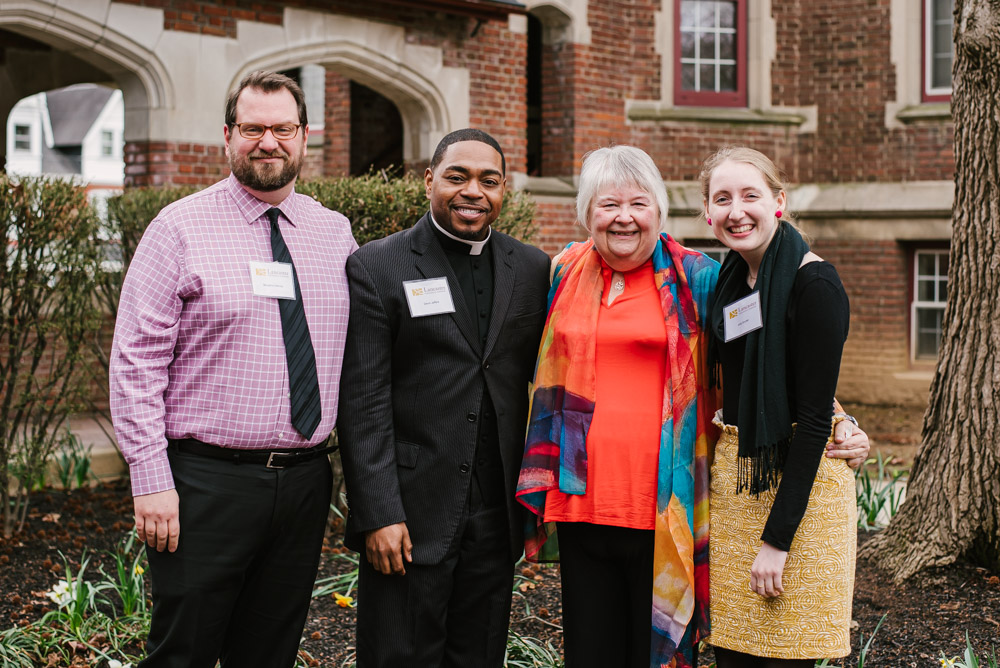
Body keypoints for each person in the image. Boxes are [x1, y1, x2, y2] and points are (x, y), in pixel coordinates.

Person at [515, 145, 868, 668]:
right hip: (580, 497)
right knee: (590, 650)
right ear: (587, 213)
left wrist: (842, 422)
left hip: (668, 500)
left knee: (658, 648)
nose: (624, 217)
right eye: (608, 204)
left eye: (639, 204)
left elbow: (775, 363)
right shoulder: (561, 273)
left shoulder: (700, 278)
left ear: (659, 212)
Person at [109, 70, 357, 668]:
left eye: (283, 129)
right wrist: (150, 478)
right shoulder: (178, 228)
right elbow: (136, 362)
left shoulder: (334, 234)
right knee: (184, 651)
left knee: (269, 652)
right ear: (228, 135)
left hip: (305, 483)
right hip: (204, 483)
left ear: (305, 137)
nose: (268, 142)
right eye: (252, 128)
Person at [337, 128, 550, 667]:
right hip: (409, 514)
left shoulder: (531, 268)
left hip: (495, 516)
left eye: (489, 181)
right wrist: (378, 514)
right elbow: (363, 402)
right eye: (458, 177)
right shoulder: (378, 265)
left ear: (503, 190)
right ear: (430, 180)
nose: (473, 191)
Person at [701, 146, 857, 667]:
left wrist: (776, 541)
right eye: (722, 199)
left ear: (779, 202)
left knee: (784, 655)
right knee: (732, 653)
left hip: (800, 498)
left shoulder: (815, 284)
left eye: (750, 195)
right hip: (740, 482)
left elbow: (812, 419)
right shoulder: (730, 281)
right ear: (707, 213)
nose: (736, 211)